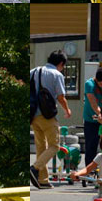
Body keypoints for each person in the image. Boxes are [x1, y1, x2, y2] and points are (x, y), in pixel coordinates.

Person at [30, 50, 72, 189]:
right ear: (61, 63)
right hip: (47, 115)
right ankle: (35, 168)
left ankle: (43, 180)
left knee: (41, 147)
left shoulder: (34, 71)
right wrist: (67, 110)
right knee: (54, 146)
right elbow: (61, 96)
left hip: (33, 115)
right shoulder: (56, 74)